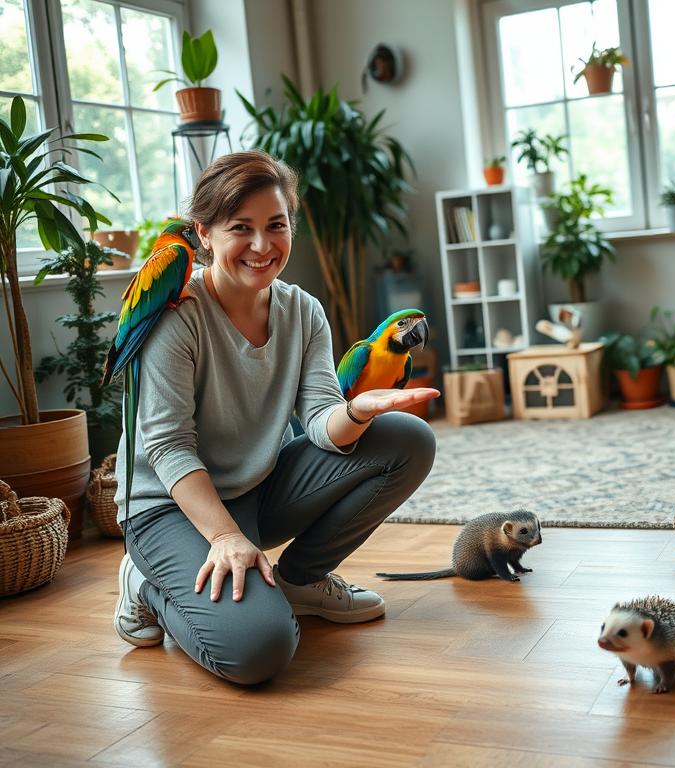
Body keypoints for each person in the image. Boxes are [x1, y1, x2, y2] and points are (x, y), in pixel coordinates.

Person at [112, 150, 439, 685]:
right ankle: (145, 583)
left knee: (407, 438)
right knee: (259, 650)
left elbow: (319, 419)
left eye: (276, 225)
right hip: (169, 507)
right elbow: (167, 445)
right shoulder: (176, 315)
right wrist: (223, 537)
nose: (262, 246)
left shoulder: (303, 311)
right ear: (205, 234)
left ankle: (301, 581)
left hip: (256, 491)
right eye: (241, 228)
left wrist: (354, 411)